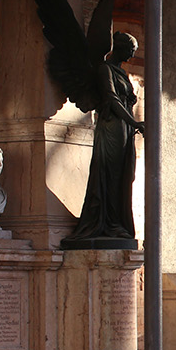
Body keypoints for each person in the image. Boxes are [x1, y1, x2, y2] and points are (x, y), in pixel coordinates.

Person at [64, 31, 143, 247]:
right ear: (119, 47)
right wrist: (135, 122)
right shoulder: (104, 69)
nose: (131, 55)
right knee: (111, 174)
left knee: (125, 176)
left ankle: (118, 222)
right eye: (130, 50)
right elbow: (111, 98)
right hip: (112, 128)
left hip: (124, 129)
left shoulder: (121, 72)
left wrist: (132, 124)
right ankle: (108, 222)